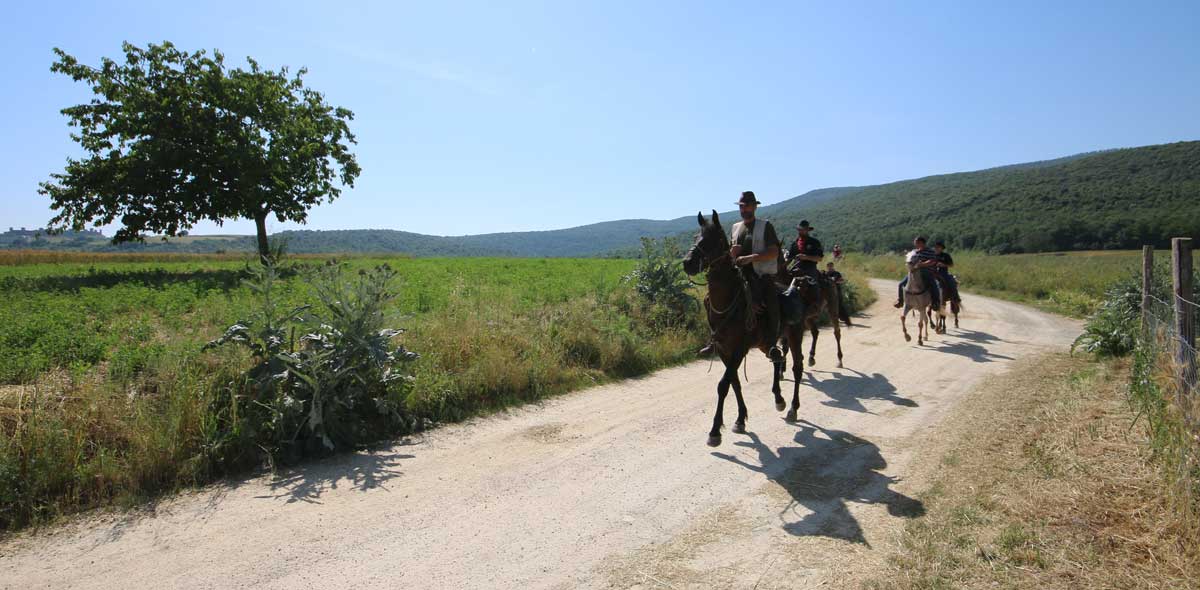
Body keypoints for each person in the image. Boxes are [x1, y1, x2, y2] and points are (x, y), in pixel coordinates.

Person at [729, 190, 783, 361]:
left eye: (747, 206)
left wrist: (751, 258)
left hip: (762, 276)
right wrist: (732, 254)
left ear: (754, 207)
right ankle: (718, 337)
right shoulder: (735, 228)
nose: (743, 209)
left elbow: (774, 252)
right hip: (740, 276)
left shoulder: (765, 226)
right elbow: (732, 256)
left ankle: (772, 344)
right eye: (741, 206)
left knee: (772, 304)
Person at [894, 236, 941, 309]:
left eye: (916, 242)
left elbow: (932, 261)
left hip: (926, 271)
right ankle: (900, 301)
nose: (915, 244)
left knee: (933, 284)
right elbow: (909, 259)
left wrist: (922, 264)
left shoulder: (930, 251)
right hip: (914, 271)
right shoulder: (914, 251)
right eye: (915, 242)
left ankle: (935, 302)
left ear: (922, 243)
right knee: (901, 284)